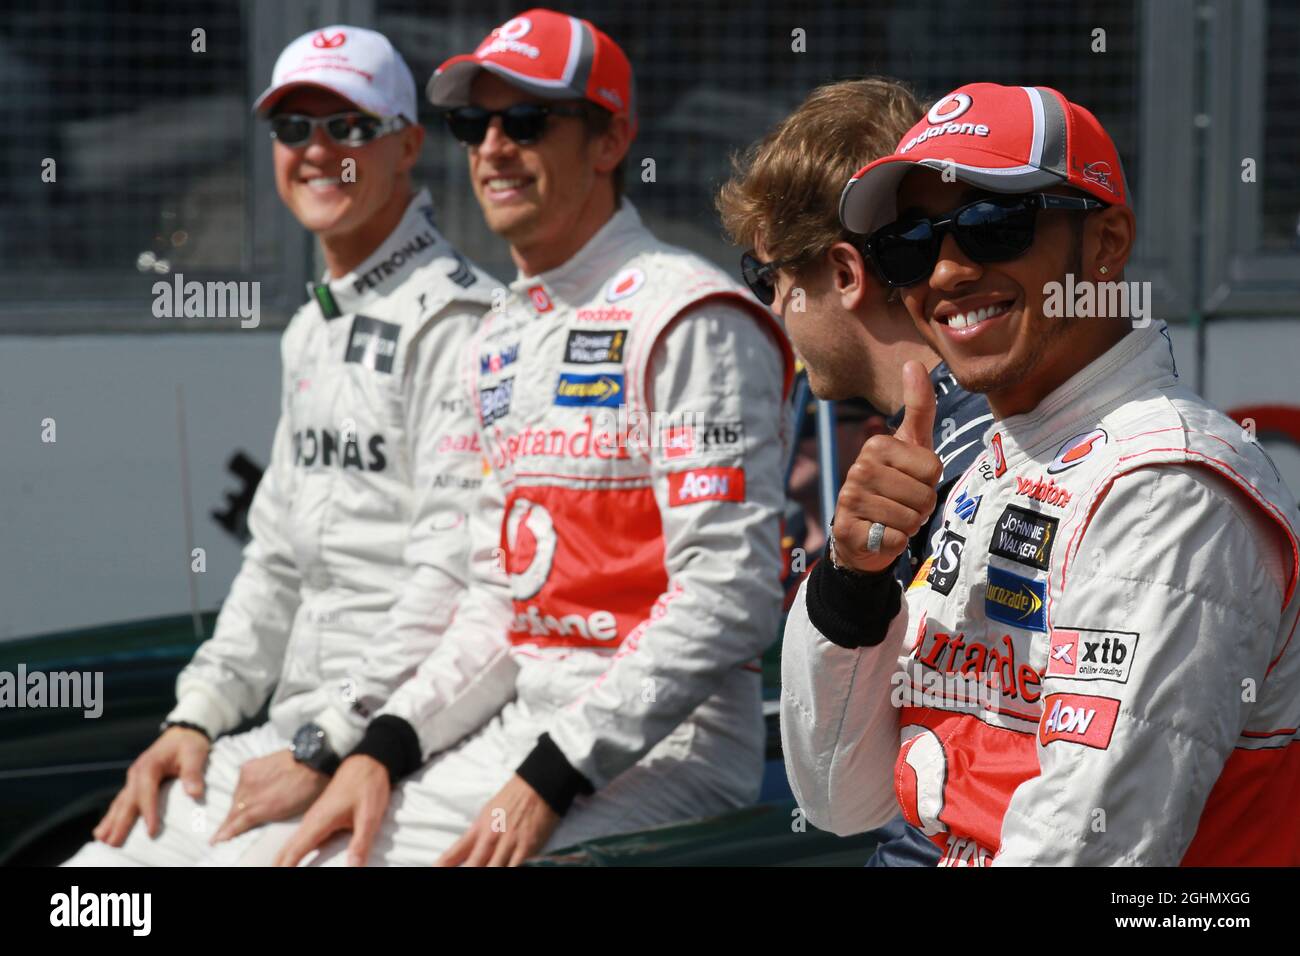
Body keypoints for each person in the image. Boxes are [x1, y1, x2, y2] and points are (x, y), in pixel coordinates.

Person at [273, 8, 795, 868]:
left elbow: (731, 591)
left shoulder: (690, 316)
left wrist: (552, 774)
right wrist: (386, 745)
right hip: (525, 729)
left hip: (669, 751)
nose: (493, 148)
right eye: (473, 124)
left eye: (526, 120)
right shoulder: (500, 335)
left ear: (610, 139)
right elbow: (496, 603)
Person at [782, 82, 1300, 865]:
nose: (945, 272)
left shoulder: (1166, 491)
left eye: (993, 225)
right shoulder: (1002, 456)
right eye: (910, 244)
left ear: (1106, 242)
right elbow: (841, 798)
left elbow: (1083, 849)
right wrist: (852, 581)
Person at [64, 25, 497, 866]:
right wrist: (196, 715)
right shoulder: (311, 329)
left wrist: (331, 742)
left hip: (401, 749)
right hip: (291, 736)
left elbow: (454, 585)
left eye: (350, 126)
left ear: (408, 145)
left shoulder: (463, 326)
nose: (318, 151)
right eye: (294, 128)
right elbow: (274, 564)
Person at [717, 78, 991, 866]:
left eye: (768, 278)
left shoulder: (981, 458)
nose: (773, 310)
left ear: (842, 274)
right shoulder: (965, 430)